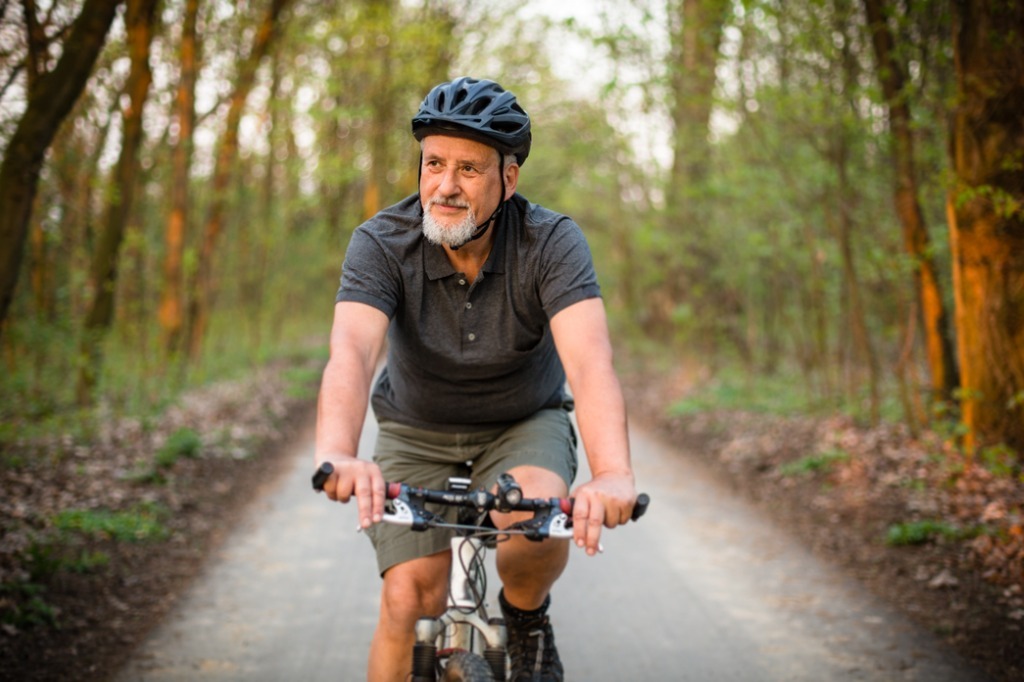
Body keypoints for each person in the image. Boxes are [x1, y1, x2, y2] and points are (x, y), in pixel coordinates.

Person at [315, 76, 638, 682]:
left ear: (508, 180)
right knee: (409, 598)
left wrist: (613, 472)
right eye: (434, 163)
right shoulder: (382, 243)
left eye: (468, 168)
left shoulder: (551, 242)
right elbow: (352, 354)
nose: (445, 185)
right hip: (416, 427)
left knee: (533, 524)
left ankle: (525, 616)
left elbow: (591, 364)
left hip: (522, 422)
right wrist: (337, 452)